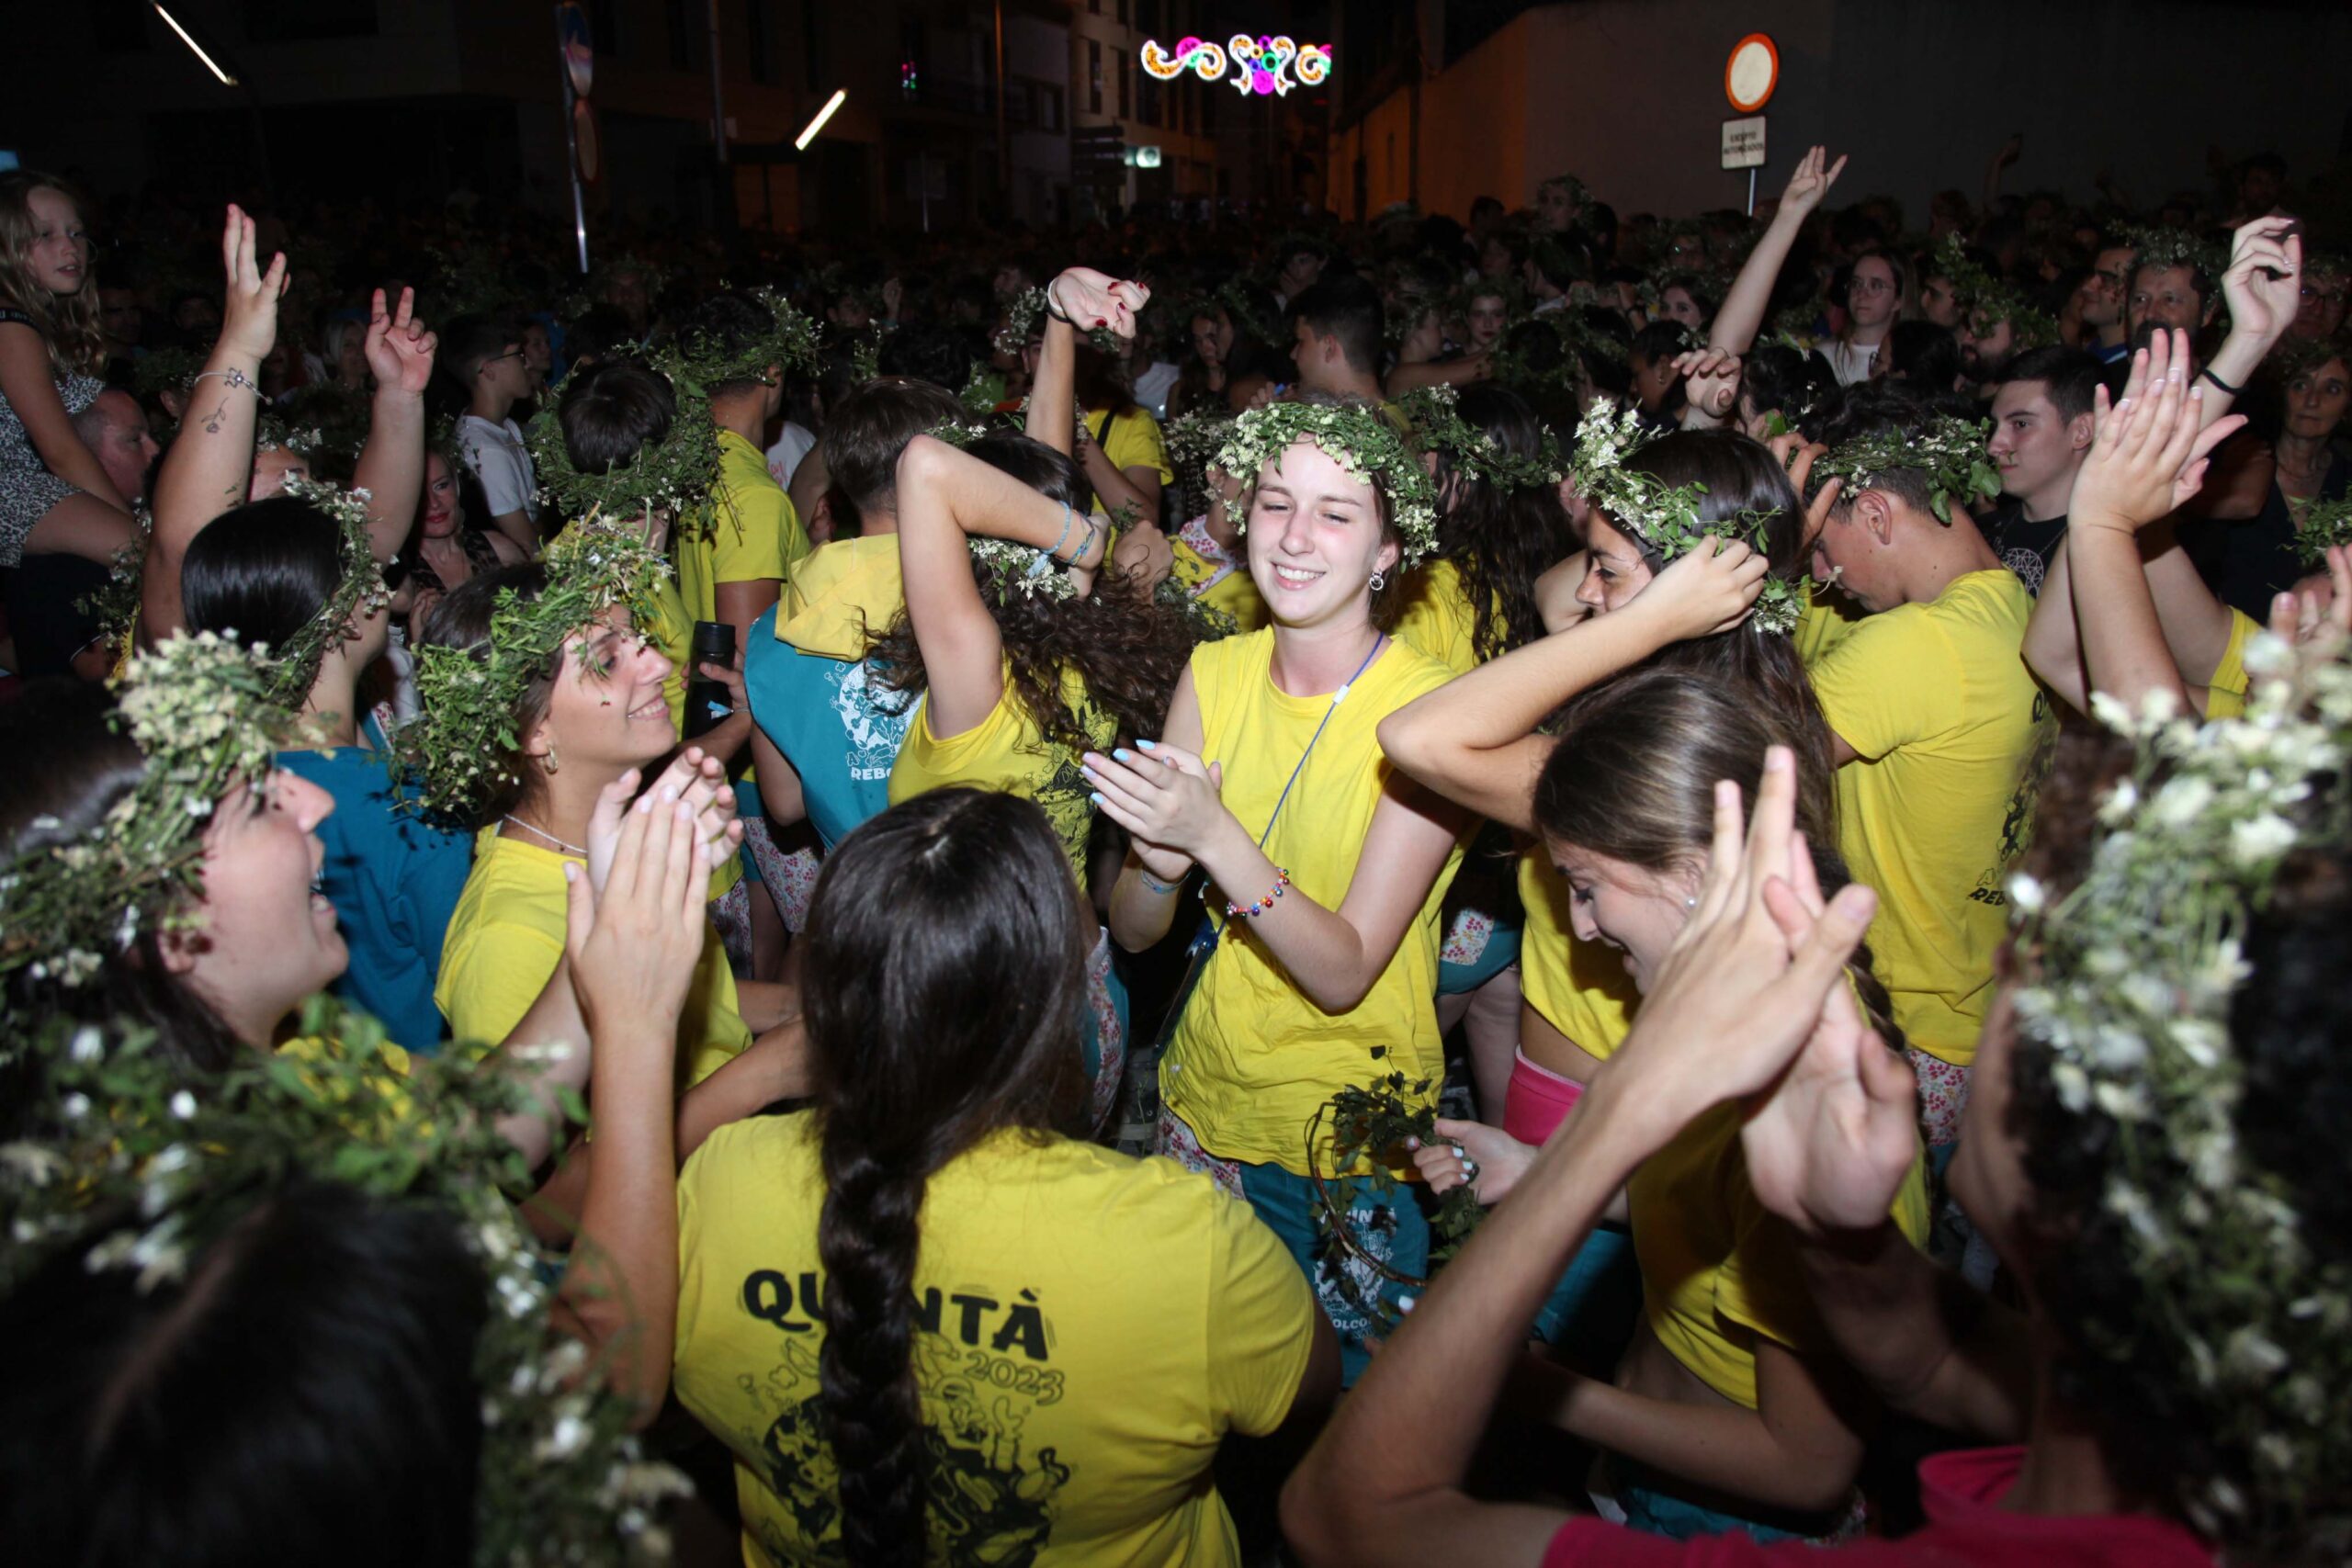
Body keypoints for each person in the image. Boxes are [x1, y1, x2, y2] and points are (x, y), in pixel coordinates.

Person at [574, 787, 1339, 1564]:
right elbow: (1304, 1394)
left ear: (830, 996)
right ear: (1051, 1014)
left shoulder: (715, 1188)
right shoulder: (1186, 1247)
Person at [1092, 398, 1468, 1379]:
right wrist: (1159, 863)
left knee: (1349, 1422)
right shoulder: (1214, 672)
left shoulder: (1430, 712)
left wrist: (1215, 837)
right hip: (1202, 1105)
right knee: (1196, 1392)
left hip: (1344, 1140)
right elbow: (1135, 935)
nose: (1295, 539)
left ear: (1389, 548)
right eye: (1273, 504)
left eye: (1336, 513)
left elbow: (1343, 971)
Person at [1792, 384, 2053, 1150]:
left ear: (1874, 514)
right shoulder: (2020, 608)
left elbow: (1723, 755)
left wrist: (1765, 568)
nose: (1820, 576)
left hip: (1900, 1022)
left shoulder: (1916, 645)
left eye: (1821, 548)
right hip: (1976, 1012)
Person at [179, 480, 474, 1055]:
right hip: (428, 1094)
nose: (381, 585)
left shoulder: (219, 790)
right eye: (367, 571)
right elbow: (477, 983)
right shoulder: (406, 806)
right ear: (343, 614)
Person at [0, 169, 139, 571]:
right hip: (10, 486)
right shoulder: (11, 327)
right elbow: (60, 451)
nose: (69, 248)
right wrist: (130, 528)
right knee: (151, 560)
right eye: (45, 235)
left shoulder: (31, 320)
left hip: (26, 483)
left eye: (76, 233)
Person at [1979, 345, 2102, 594]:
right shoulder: (1982, 532)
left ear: (2082, 432)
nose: (1993, 446)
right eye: (1996, 425)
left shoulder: (2107, 550)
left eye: (2020, 424)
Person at [401, 440, 527, 640]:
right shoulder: (401, 583)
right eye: (419, 494)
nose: (434, 504)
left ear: (457, 486)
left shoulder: (499, 549)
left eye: (441, 486)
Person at [444, 314, 540, 558]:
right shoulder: (486, 450)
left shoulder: (506, 426)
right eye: (518, 356)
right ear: (489, 370)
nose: (527, 364)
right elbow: (526, 546)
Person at [1287, 276, 1392, 409]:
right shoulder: (1393, 419)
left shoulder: (1340, 427)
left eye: (1301, 342)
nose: (1293, 354)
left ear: (1329, 348)